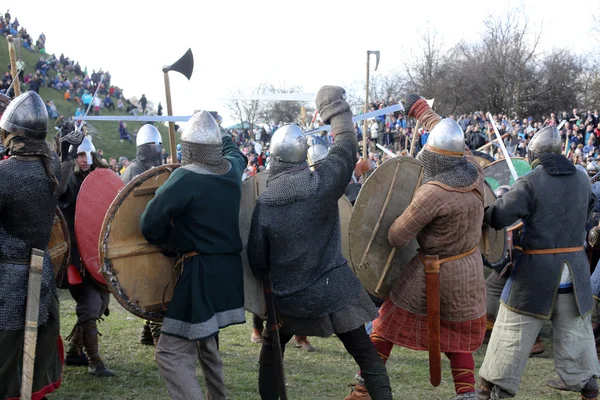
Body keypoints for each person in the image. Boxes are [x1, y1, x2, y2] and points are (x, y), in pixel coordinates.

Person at [248, 86, 392, 400]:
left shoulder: (265, 203)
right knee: (366, 355)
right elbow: (346, 146)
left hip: (288, 298)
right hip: (334, 290)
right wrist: (335, 110)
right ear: (304, 158)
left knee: (272, 351)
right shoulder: (322, 183)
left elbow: (258, 261)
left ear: (273, 159)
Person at [347, 95, 486, 400]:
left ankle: (362, 391)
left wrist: (399, 205)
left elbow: (397, 235)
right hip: (470, 270)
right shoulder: (474, 172)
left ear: (434, 158)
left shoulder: (432, 194)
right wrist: (421, 111)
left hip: (433, 273)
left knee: (384, 326)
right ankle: (467, 394)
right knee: (457, 337)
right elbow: (448, 137)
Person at [477, 125, 600, 400]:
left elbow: (499, 217)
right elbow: (590, 209)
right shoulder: (583, 180)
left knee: (510, 332)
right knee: (576, 336)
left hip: (536, 274)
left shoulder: (530, 181)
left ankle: (488, 389)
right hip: (575, 272)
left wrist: (489, 206)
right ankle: (589, 391)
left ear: (534, 154)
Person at [141, 110, 247, 400]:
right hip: (228, 273)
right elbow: (237, 153)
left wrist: (172, 243)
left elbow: (149, 223)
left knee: (169, 353)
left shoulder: (183, 178)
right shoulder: (231, 171)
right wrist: (220, 131)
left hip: (200, 274)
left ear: (187, 147)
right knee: (207, 342)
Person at [0, 91, 63, 399]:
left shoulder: (6, 174)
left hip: (8, 280)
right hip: (41, 273)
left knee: (7, 354)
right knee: (36, 344)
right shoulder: (53, 169)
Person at [58, 134, 114, 377]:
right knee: (90, 305)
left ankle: (74, 351)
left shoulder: (96, 178)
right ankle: (95, 361)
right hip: (76, 257)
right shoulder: (68, 181)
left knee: (101, 303)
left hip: (96, 254)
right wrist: (64, 157)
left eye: (87, 154)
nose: (85, 159)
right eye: (80, 154)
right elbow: (59, 192)